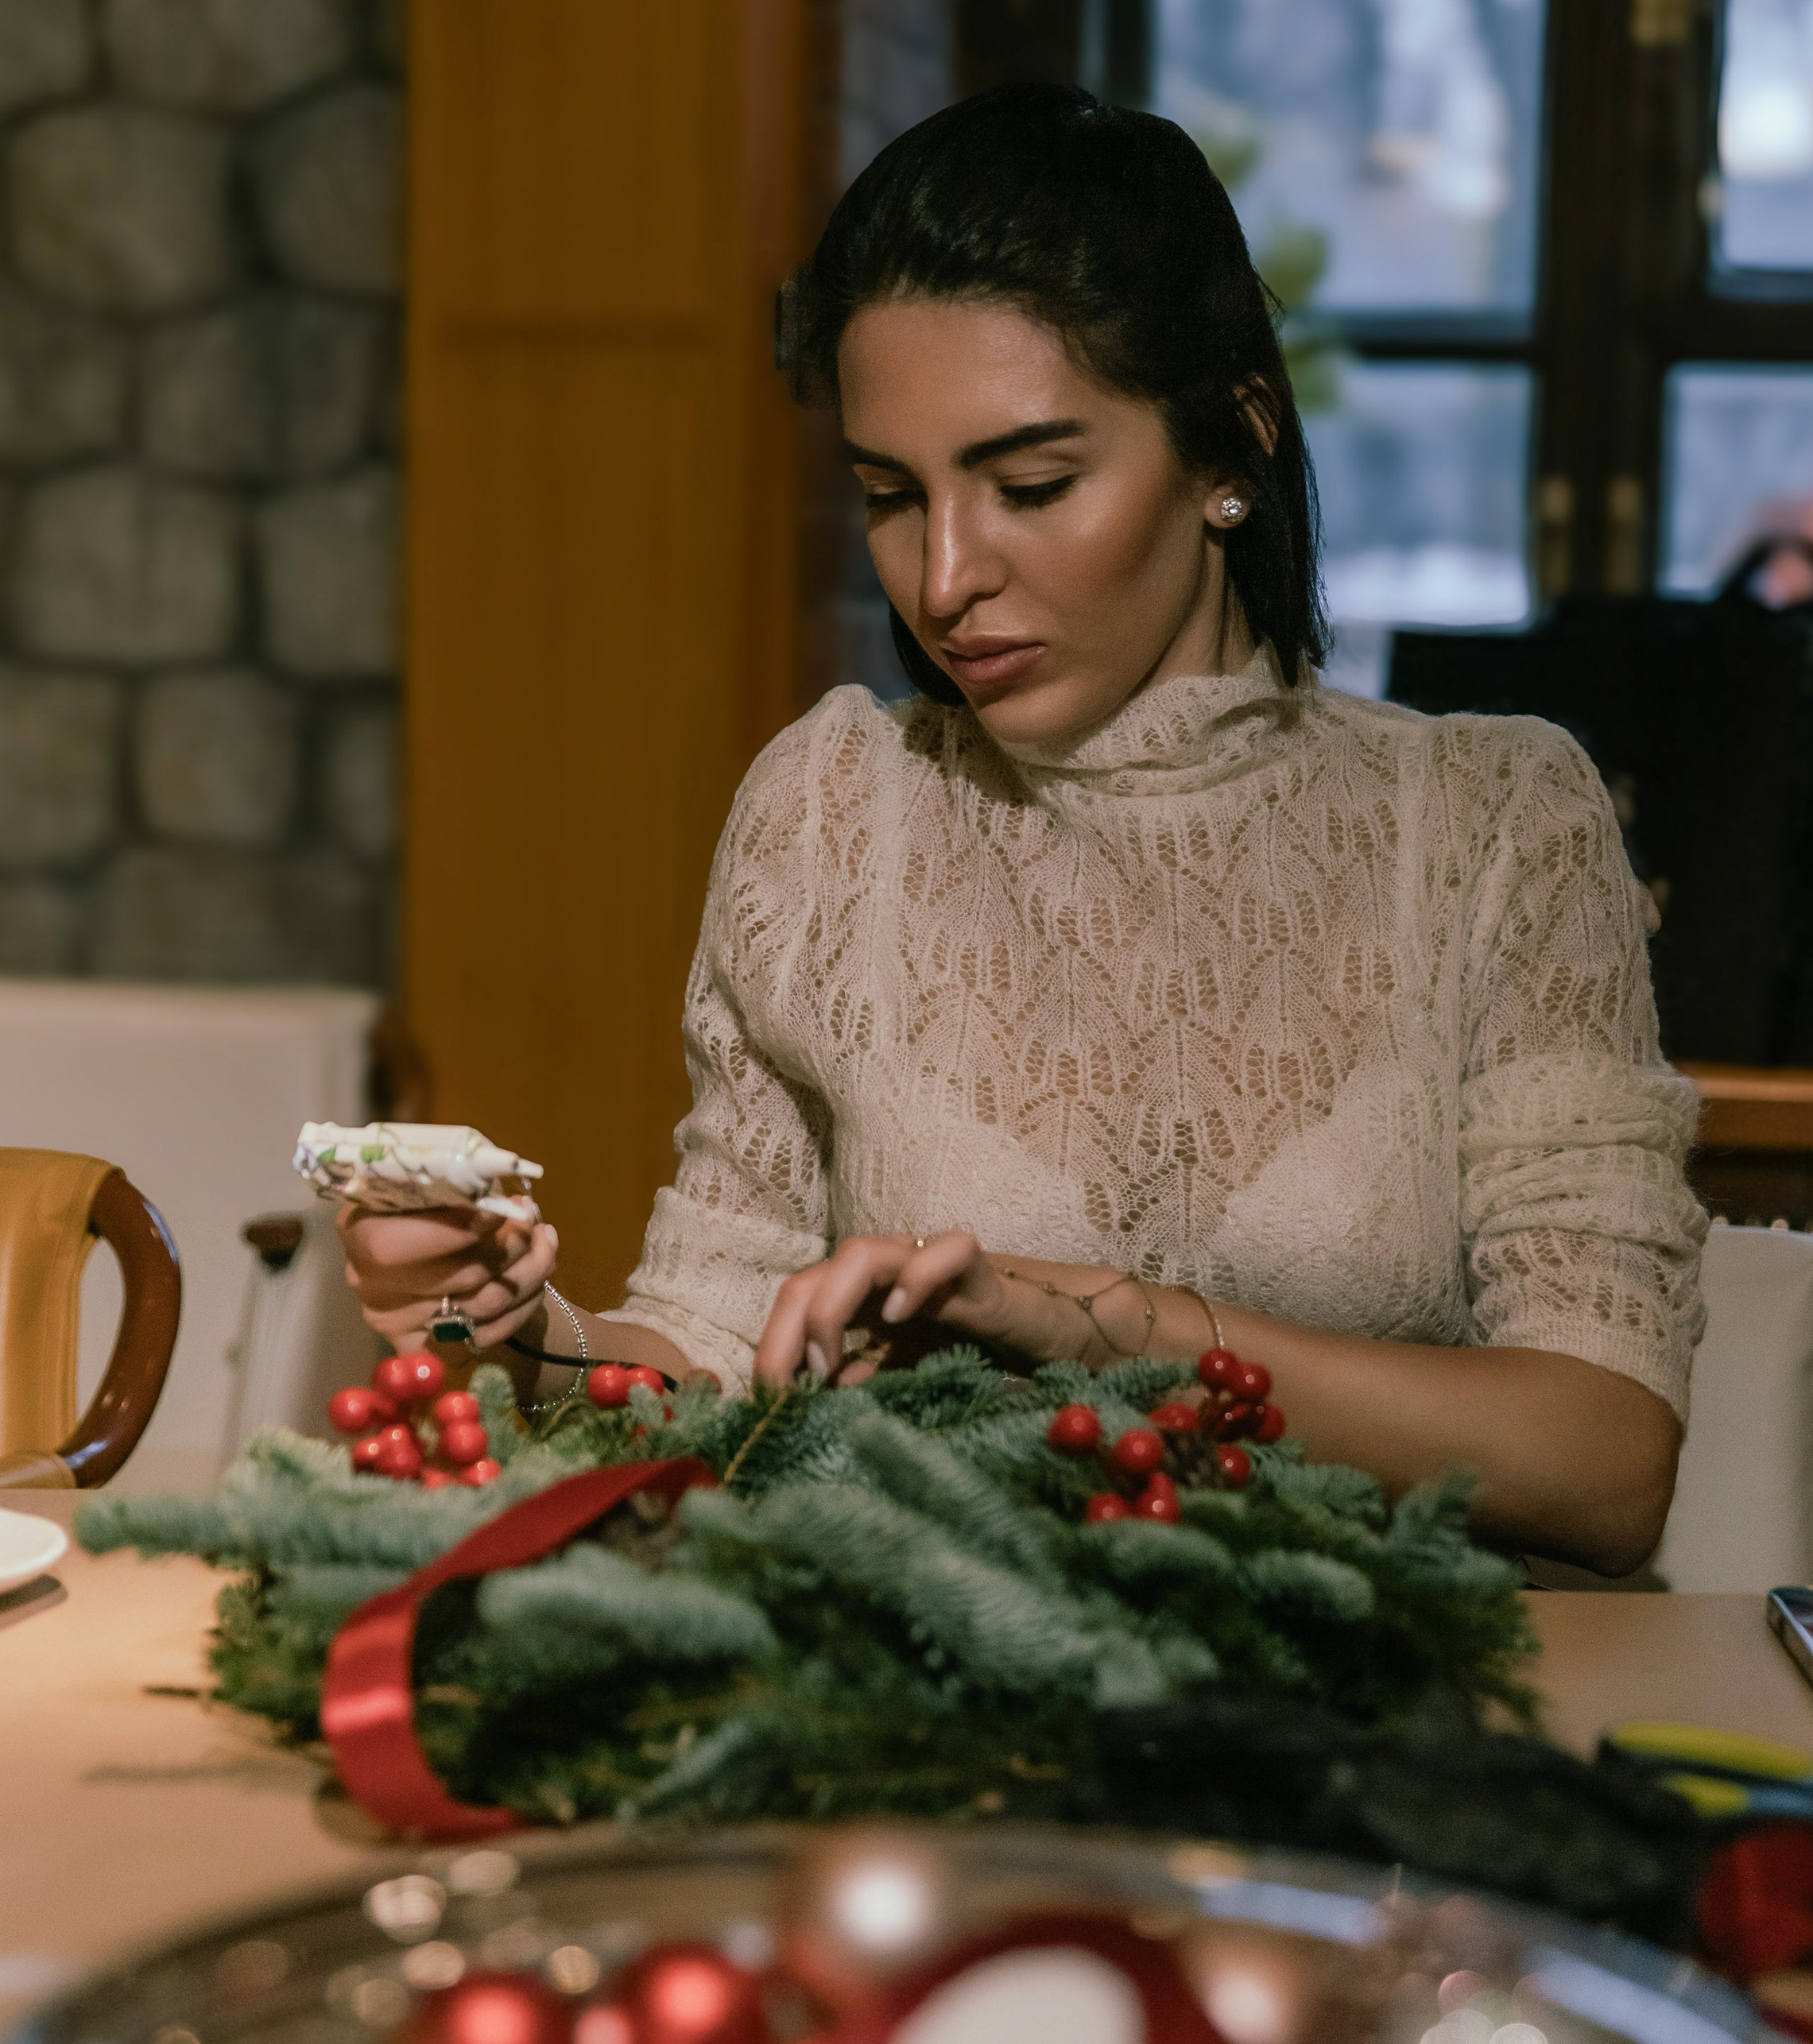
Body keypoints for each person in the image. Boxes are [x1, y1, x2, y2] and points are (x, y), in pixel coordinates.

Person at [343, 86, 1706, 1577]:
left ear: (1229, 451)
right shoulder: (835, 809)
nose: (940, 579)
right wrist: (511, 1336)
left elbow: (1606, 1453)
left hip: (1390, 1733)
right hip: (936, 1707)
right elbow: (711, 1358)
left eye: (1032, 485)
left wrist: (1114, 1330)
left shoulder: (1494, 823)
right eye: (889, 495)